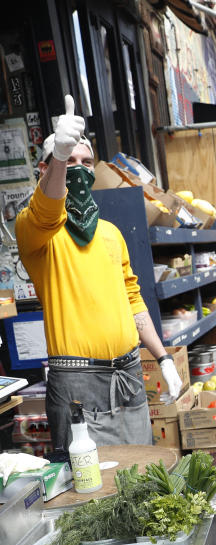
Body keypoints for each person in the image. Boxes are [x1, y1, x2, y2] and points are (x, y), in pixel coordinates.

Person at [16, 95, 182, 451]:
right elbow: (48, 209)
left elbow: (132, 299)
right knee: (90, 493)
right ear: (45, 170)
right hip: (78, 386)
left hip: (129, 374)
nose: (79, 167)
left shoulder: (109, 232)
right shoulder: (36, 230)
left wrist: (163, 357)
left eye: (86, 162)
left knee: (141, 480)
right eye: (68, 160)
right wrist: (59, 154)